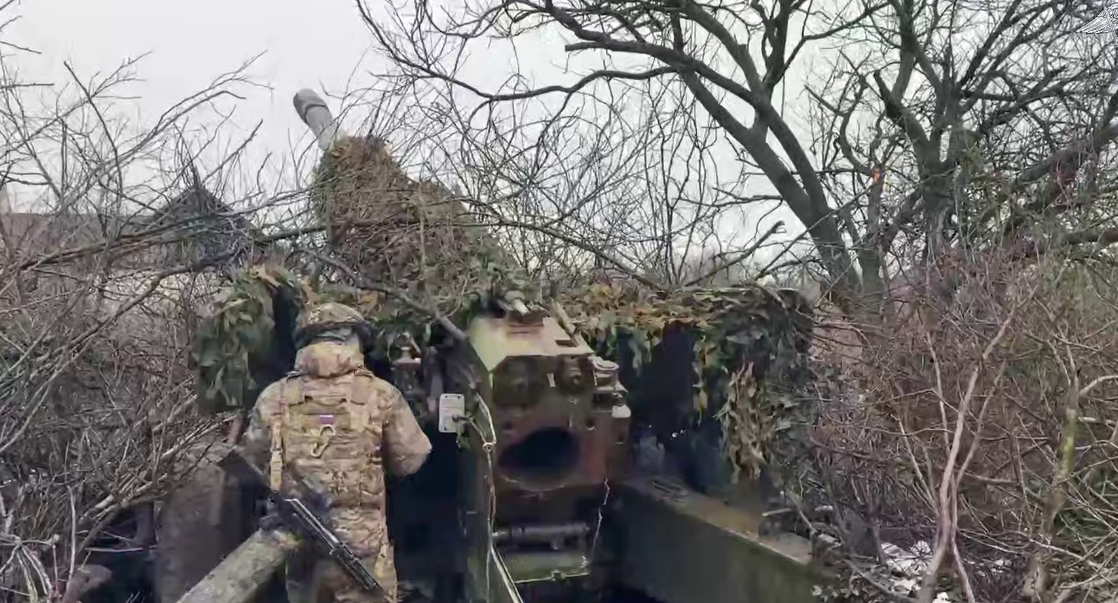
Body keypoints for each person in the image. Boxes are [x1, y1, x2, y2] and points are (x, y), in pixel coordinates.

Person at [240, 301, 432, 603]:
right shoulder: (381, 394)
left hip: (297, 545)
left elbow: (252, 461)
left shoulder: (273, 397)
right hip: (362, 551)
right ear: (355, 340)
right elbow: (410, 461)